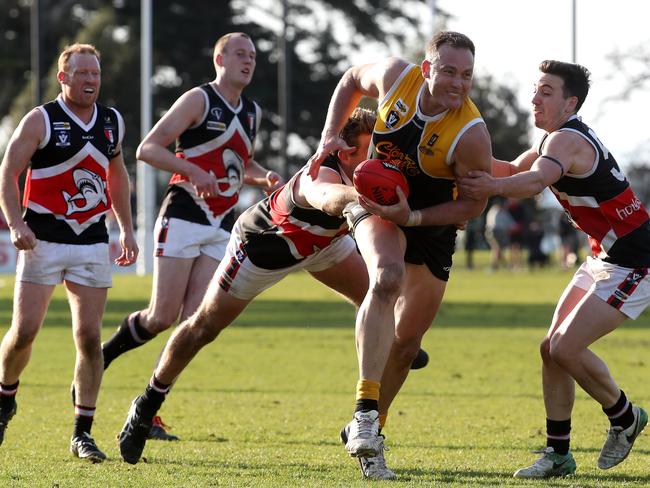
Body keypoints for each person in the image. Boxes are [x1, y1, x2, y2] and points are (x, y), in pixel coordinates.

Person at [116, 108, 385, 466]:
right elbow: (329, 199)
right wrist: (366, 199)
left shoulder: (366, 168)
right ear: (347, 153)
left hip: (323, 245)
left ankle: (363, 417)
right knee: (202, 328)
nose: (379, 160)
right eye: (372, 152)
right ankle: (146, 404)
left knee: (379, 297)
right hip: (262, 249)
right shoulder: (319, 175)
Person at [307, 31, 492, 478]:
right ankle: (366, 415)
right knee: (386, 277)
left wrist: (413, 218)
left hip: (429, 222)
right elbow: (351, 78)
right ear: (427, 69)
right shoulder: (395, 76)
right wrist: (330, 135)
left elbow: (473, 205)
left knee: (406, 345)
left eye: (466, 75)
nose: (458, 83)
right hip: (378, 205)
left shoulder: (471, 133)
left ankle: (369, 427)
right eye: (449, 71)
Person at [459, 60, 650, 478]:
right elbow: (510, 170)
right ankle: (558, 454)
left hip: (637, 260)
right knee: (551, 350)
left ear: (571, 102)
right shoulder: (552, 139)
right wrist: (450, 152)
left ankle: (625, 417)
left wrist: (489, 188)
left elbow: (531, 182)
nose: (535, 98)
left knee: (565, 348)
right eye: (535, 89)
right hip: (605, 258)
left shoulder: (565, 141)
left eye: (547, 91)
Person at [96, 32, 282, 440]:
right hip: (182, 214)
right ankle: (102, 356)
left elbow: (239, 162)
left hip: (221, 226)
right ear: (219, 58)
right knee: (161, 316)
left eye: (252, 56)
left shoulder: (251, 111)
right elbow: (148, 148)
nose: (248, 61)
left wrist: (262, 175)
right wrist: (194, 171)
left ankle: (149, 410)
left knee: (193, 325)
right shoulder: (199, 99)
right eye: (239, 54)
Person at [0, 43, 138, 462]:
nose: (90, 80)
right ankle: (5, 398)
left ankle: (82, 432)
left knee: (90, 337)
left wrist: (127, 229)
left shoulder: (112, 122)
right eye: (82, 74)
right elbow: (8, 171)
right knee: (24, 332)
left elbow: (117, 175)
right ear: (64, 78)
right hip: (42, 240)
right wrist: (15, 223)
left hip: (92, 240)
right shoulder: (41, 119)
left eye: (95, 73)